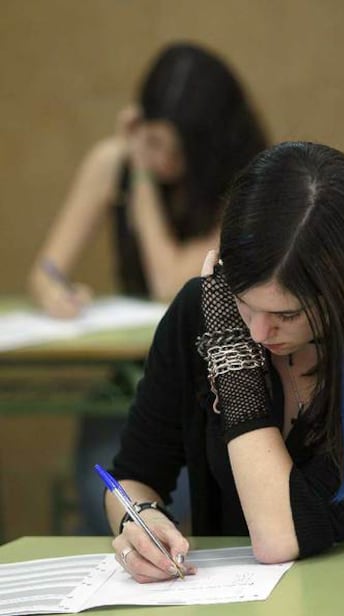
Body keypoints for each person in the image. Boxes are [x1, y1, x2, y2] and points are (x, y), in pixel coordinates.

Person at [104, 141, 344, 582]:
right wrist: (140, 518)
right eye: (245, 304)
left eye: (287, 314)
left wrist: (234, 366)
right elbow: (132, 476)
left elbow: (281, 535)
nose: (258, 334)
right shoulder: (204, 310)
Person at [28, 42, 267, 534]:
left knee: (186, 503)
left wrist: (138, 178)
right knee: (114, 480)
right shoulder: (109, 161)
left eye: (174, 149)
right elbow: (45, 270)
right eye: (152, 143)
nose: (160, 160)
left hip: (215, 369)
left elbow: (173, 284)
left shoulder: (248, 178)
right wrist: (56, 291)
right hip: (133, 373)